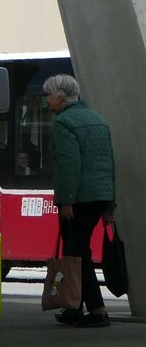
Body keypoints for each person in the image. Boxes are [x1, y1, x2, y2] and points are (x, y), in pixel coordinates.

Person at [44, 74, 117, 328]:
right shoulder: (98, 120)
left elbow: (69, 165)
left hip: (78, 198)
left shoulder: (65, 122)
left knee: (76, 253)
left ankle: (96, 310)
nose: (47, 101)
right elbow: (109, 164)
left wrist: (67, 201)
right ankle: (74, 306)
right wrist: (109, 205)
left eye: (49, 96)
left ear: (61, 97)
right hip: (99, 196)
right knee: (78, 250)